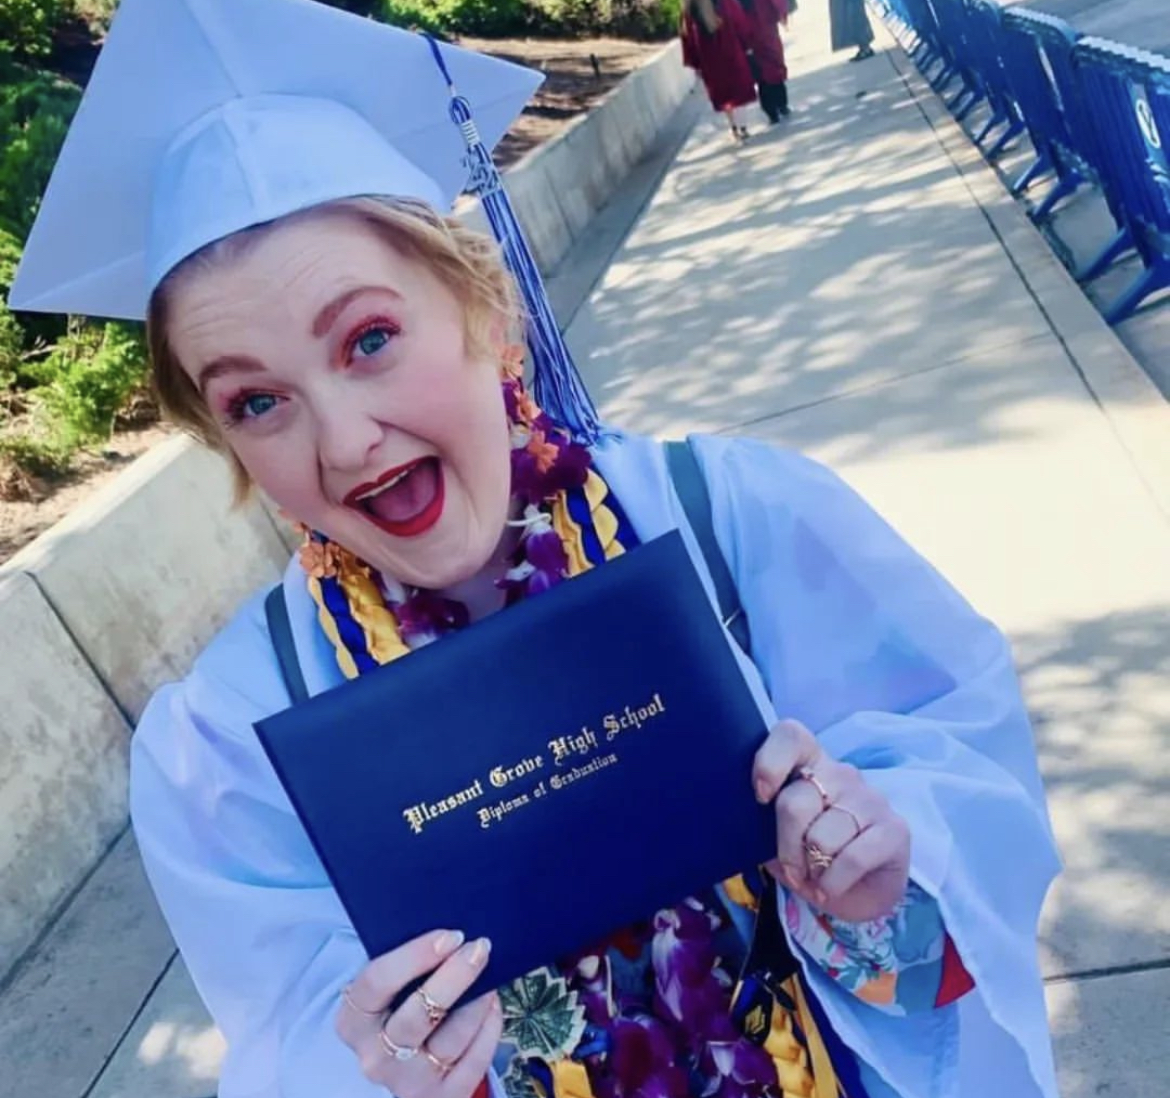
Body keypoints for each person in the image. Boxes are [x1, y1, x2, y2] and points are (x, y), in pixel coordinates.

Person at [10, 0, 1062, 1096]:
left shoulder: (737, 519)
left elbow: (972, 782)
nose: (343, 439)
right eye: (257, 402)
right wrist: (383, 1073)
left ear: (482, 307)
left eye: (369, 339)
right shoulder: (232, 741)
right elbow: (288, 1045)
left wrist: (879, 875)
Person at [680, 0, 758, 142]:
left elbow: (687, 37)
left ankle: (733, 127)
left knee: (724, 94)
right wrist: (747, 45)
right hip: (731, 53)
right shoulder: (726, 2)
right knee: (739, 89)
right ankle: (743, 126)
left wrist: (696, 63)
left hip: (710, 60)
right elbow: (739, 22)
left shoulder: (689, 7)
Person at [742, 0, 790, 124]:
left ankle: (772, 110)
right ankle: (781, 104)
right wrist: (781, 14)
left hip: (751, 28)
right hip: (764, 25)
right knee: (773, 66)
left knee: (762, 73)